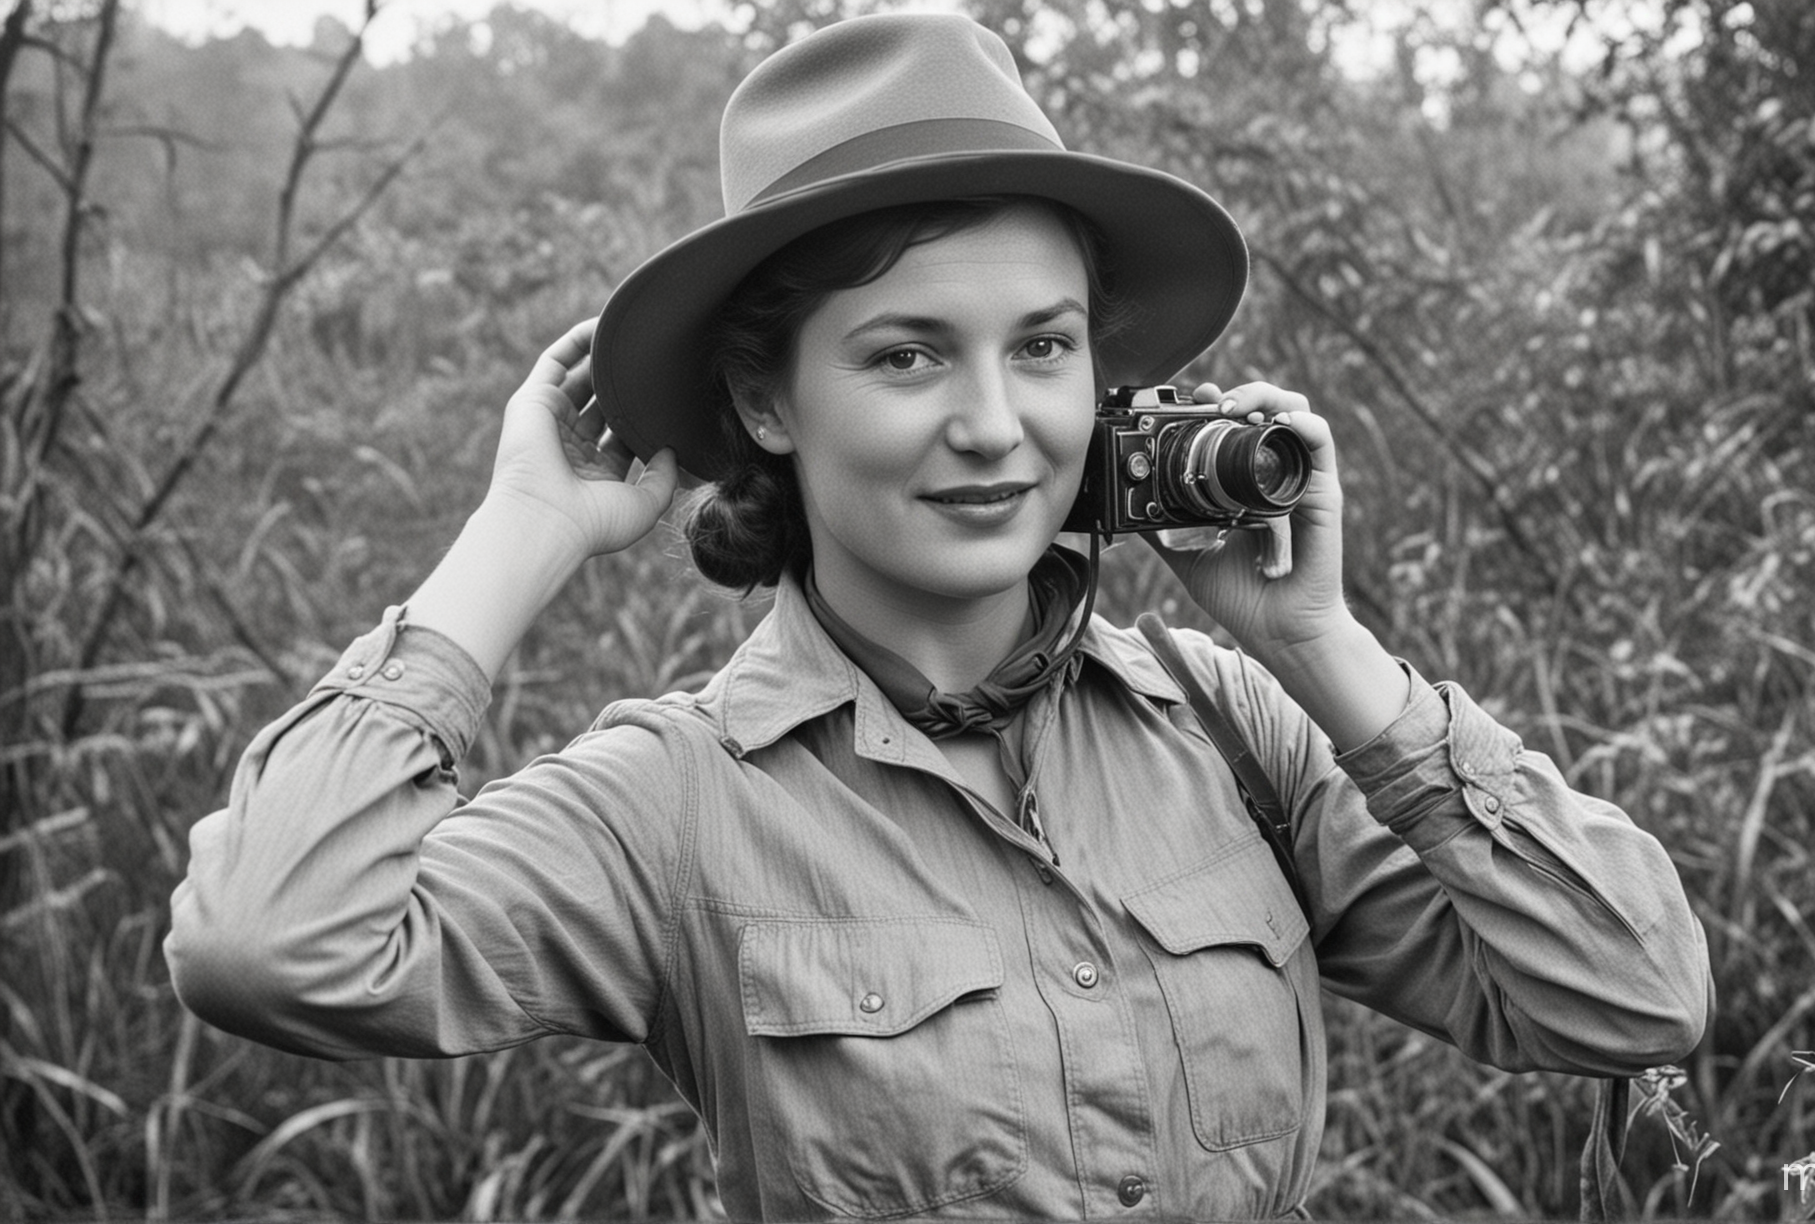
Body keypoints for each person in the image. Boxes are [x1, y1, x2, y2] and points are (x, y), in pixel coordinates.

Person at [166, 13, 1711, 1221]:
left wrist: (1323, 647)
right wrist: (521, 534)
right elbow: (271, 946)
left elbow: (1633, 998)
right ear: (768, 399)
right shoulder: (676, 805)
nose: (996, 427)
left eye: (1043, 347)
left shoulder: (1236, 728)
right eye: (907, 357)